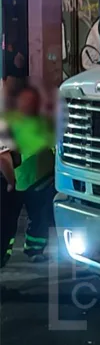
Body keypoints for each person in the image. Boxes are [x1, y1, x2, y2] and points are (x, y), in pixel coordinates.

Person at [0, 85, 56, 265]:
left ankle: (29, 250)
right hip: (22, 179)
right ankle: (25, 251)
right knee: (18, 220)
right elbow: (4, 157)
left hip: (34, 178)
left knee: (34, 218)